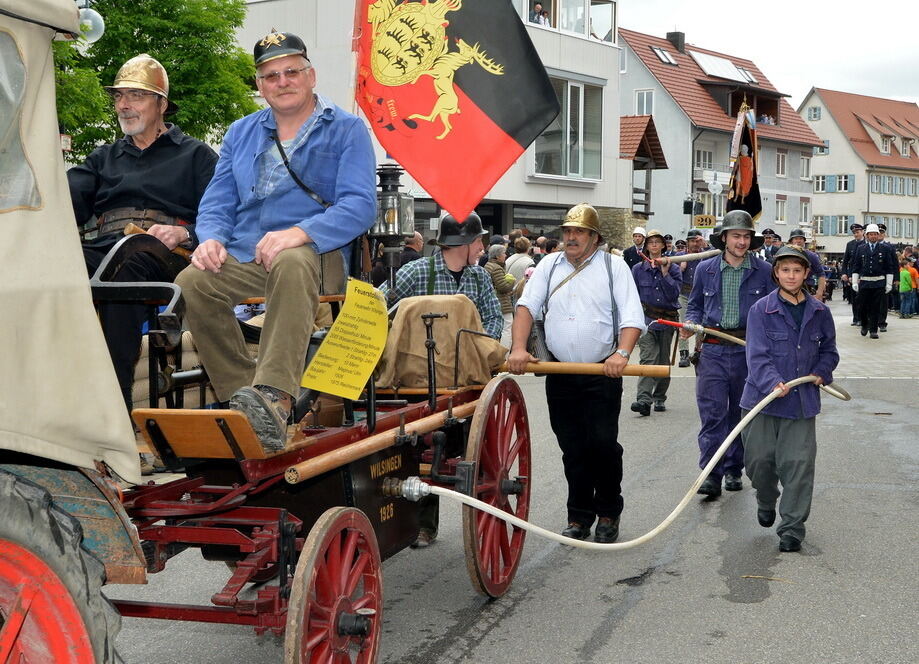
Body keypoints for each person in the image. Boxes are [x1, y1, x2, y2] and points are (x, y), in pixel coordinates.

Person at [177, 31, 377, 451]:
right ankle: (239, 395)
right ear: (259, 85)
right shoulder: (239, 132)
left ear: (311, 75)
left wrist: (302, 231)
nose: (282, 81)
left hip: (317, 256)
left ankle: (274, 397)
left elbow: (360, 206)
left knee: (290, 258)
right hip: (247, 255)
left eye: (291, 71)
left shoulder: (347, 129)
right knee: (193, 281)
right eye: (270, 76)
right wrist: (210, 239)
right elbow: (217, 201)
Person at [69, 54, 218, 414]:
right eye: (119, 96)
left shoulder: (197, 156)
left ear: (161, 104)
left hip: (164, 258)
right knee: (54, 264)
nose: (123, 105)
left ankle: (114, 410)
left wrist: (185, 234)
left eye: (135, 95)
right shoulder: (102, 157)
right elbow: (69, 202)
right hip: (108, 248)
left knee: (131, 264)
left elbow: (224, 218)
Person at [509, 203, 644, 543]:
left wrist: (622, 353)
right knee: (572, 447)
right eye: (567, 231)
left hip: (602, 372)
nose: (571, 237)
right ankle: (579, 516)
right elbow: (526, 307)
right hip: (561, 372)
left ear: (594, 238)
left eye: (579, 232)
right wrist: (518, 348)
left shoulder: (614, 267)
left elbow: (632, 318)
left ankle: (609, 511)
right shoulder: (548, 266)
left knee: (602, 445)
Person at [383, 212, 503, 547]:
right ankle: (422, 524)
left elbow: (494, 318)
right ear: (463, 244)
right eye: (478, 241)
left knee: (462, 446)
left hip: (464, 383)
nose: (482, 247)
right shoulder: (415, 271)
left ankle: (476, 507)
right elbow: (382, 305)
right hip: (416, 382)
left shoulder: (479, 279)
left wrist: (480, 350)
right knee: (420, 449)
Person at [740, 245, 839, 552]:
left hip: (801, 402)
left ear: (806, 273)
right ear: (776, 273)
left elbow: (829, 351)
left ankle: (792, 527)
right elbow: (756, 356)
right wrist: (773, 382)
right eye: (785, 270)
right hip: (762, 401)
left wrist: (822, 371)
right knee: (759, 464)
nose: (791, 276)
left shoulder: (820, 312)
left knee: (798, 465)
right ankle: (766, 498)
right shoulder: (761, 310)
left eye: (797, 270)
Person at [682, 210, 773, 497]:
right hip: (713, 350)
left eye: (746, 236)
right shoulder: (705, 269)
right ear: (724, 238)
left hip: (749, 353)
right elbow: (695, 305)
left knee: (741, 414)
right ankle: (711, 472)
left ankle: (734, 468)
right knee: (712, 414)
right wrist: (690, 323)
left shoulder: (765, 271)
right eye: (736, 236)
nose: (742, 242)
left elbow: (774, 311)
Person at [630, 230, 681, 416]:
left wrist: (665, 273)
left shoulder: (673, 267)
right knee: (648, 359)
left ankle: (659, 397)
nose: (653, 245)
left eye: (657, 242)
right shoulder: (638, 269)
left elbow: (674, 294)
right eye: (650, 242)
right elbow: (632, 296)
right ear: (646, 246)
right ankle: (643, 400)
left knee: (663, 361)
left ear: (662, 246)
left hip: (668, 320)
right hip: (647, 320)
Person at [851, 223, 896, 339]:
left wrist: (889, 283)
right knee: (862, 306)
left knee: (876, 307)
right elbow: (856, 266)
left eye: (875, 234)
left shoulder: (885, 249)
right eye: (871, 234)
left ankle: (873, 330)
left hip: (879, 282)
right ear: (866, 235)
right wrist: (855, 282)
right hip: (865, 282)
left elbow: (889, 267)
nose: (873, 236)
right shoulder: (861, 248)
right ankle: (864, 325)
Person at [674, 229, 705, 367]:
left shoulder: (705, 255)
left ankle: (698, 350)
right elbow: (672, 275)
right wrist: (681, 267)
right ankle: (683, 354)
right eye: (692, 241)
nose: (695, 244)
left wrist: (705, 246)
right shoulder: (680, 255)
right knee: (684, 323)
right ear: (687, 242)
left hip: (701, 295)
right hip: (684, 293)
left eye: (697, 241)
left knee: (700, 325)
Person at [484, 244, 517, 346]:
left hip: (493, 303)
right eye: (503, 253)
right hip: (502, 304)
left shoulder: (488, 265)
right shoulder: (497, 268)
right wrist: (511, 281)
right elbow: (503, 288)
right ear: (497, 256)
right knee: (507, 330)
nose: (506, 255)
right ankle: (505, 356)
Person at [787, 228, 826, 300]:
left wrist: (819, 293)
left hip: (807, 289)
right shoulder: (785, 256)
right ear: (791, 241)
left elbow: (821, 274)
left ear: (804, 241)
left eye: (801, 239)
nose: (798, 241)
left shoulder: (811, 256)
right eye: (796, 238)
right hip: (788, 289)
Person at [840, 223, 865, 325]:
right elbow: (846, 261)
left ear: (862, 232)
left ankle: (862, 318)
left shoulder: (866, 244)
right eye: (854, 233)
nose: (856, 234)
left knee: (862, 298)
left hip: (863, 275)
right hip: (852, 276)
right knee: (854, 298)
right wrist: (844, 273)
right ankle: (856, 318)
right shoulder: (850, 244)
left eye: (858, 232)